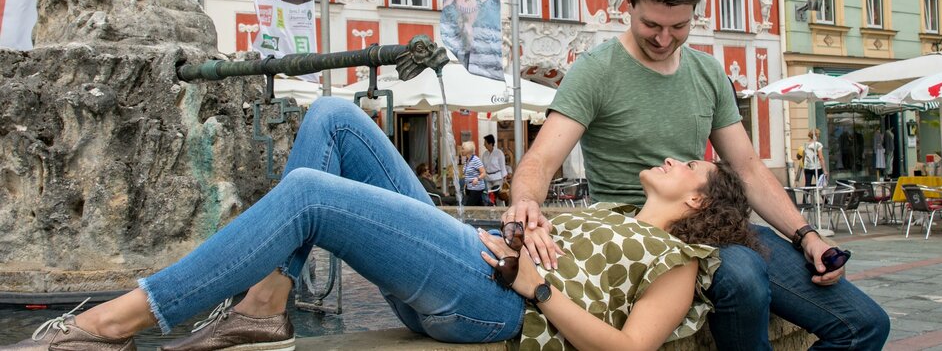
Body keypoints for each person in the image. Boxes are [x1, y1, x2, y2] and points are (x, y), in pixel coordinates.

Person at [7, 98, 761, 350]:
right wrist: (534, 230)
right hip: (473, 259)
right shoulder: (615, 213)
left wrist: (537, 290)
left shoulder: (680, 260)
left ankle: (115, 323)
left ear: (699, 203)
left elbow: (632, 347)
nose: (670, 159)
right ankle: (266, 308)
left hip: (491, 303)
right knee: (334, 117)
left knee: (309, 190)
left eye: (686, 165)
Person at [506, 0, 889, 350]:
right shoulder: (597, 70)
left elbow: (747, 167)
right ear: (628, 4)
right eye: (652, 25)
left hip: (716, 222)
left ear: (694, 14)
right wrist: (525, 200)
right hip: (649, 234)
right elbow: (543, 157)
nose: (664, 39)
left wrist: (806, 236)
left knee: (865, 325)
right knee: (742, 279)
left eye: (679, 27)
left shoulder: (707, 71)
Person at [443, 0, 487, 66]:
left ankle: (467, 52)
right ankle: (468, 52)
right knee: (467, 29)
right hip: (468, 10)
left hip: (468, 10)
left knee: (466, 29)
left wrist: (443, 6)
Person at [481, 135, 507, 205]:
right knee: (487, 195)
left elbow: (502, 166)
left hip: (497, 178)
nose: (484, 145)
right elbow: (482, 167)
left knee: (498, 196)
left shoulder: (499, 153)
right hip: (488, 178)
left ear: (490, 143)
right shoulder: (484, 154)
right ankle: (490, 210)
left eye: (485, 143)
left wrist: (504, 178)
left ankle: (501, 210)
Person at [460, 140, 487, 206]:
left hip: (476, 188)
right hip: (470, 187)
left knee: (469, 207)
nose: (461, 150)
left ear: (468, 150)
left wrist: (477, 179)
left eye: (463, 149)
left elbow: (484, 173)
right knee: (479, 206)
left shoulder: (476, 160)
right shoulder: (467, 160)